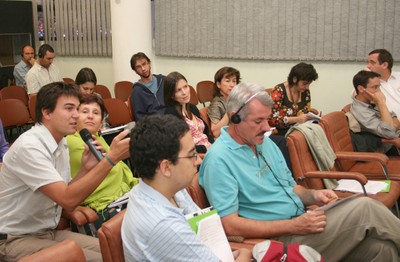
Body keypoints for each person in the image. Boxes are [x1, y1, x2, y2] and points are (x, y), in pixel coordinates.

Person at [199, 82, 400, 261]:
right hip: (279, 237)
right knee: (365, 208)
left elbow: (291, 186)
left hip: (300, 222)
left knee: (382, 250)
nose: (266, 127)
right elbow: (230, 225)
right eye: (258, 121)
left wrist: (313, 195)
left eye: (267, 119)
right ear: (234, 118)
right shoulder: (219, 160)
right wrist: (294, 226)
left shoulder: (263, 143)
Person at [0, 82, 130, 261]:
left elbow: (67, 191)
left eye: (77, 109)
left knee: (118, 251)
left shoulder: (61, 142)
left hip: (47, 231)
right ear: (46, 112)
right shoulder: (30, 147)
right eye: (69, 109)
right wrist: (111, 159)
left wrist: (85, 169)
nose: (76, 115)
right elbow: (68, 199)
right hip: (15, 239)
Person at [122, 114, 252, 261]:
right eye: (192, 155)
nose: (197, 161)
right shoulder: (165, 225)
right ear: (166, 167)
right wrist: (245, 255)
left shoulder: (165, 187)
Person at [66, 94, 138, 229]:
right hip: (104, 208)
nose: (90, 116)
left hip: (121, 199)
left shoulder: (98, 138)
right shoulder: (72, 141)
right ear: (75, 117)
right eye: (85, 112)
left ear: (101, 122)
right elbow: (110, 171)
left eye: (96, 113)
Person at [350, 70, 400, 154]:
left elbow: (395, 118)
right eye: (375, 87)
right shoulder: (360, 111)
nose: (379, 91)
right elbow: (389, 133)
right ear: (361, 89)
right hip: (390, 148)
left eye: (379, 87)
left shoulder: (371, 101)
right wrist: (381, 104)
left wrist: (392, 125)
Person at [164, 72, 214, 153]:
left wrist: (214, 145)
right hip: (193, 156)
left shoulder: (191, 107)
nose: (184, 92)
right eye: (178, 90)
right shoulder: (170, 114)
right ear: (171, 95)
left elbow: (206, 134)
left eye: (185, 87)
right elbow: (178, 146)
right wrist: (205, 149)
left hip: (209, 150)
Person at [268, 62, 318, 136]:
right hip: (282, 132)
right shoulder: (278, 91)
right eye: (304, 83)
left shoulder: (305, 92)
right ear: (295, 79)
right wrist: (296, 119)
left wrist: (314, 118)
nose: (307, 87)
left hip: (300, 129)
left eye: (309, 84)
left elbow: (306, 112)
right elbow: (272, 120)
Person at [129, 52, 165, 120]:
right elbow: (140, 118)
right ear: (135, 71)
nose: (143, 69)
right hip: (153, 125)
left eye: (144, 64)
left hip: (170, 120)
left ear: (149, 63)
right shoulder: (137, 91)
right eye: (138, 67)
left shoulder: (163, 80)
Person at [366, 49, 400, 118]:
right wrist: (365, 77)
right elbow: (356, 94)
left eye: (372, 62)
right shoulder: (371, 84)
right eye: (368, 62)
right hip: (393, 124)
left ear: (384, 65)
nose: (368, 66)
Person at [208, 66, 241, 137]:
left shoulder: (237, 99)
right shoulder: (216, 104)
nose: (232, 85)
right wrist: (231, 110)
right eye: (227, 81)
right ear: (218, 84)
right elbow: (215, 133)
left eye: (234, 81)